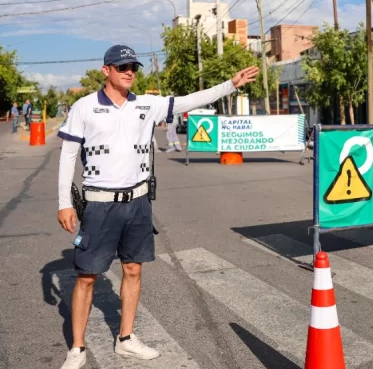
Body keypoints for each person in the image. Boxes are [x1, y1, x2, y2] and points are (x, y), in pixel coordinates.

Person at [56, 45, 258, 369]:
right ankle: (77, 348)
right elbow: (68, 155)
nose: (129, 72)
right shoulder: (85, 107)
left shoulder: (147, 105)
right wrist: (65, 202)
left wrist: (230, 85)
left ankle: (125, 339)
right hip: (99, 204)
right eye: (122, 66)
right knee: (87, 276)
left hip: (137, 202)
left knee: (133, 269)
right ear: (106, 69)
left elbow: (191, 100)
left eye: (133, 67)